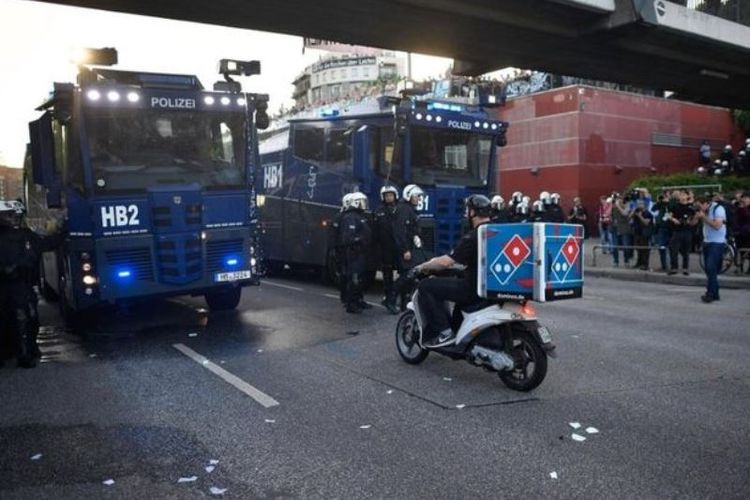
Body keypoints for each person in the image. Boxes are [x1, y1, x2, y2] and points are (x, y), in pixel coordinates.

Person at [412, 195, 491, 346]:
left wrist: (423, 266)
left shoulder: (473, 236)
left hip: (472, 288)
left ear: (473, 212)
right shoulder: (495, 232)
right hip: (487, 286)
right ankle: (458, 329)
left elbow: (446, 262)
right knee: (456, 277)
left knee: (426, 286)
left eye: (468, 209)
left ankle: (445, 332)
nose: (466, 212)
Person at [0, 200, 66, 368]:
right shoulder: (25, 235)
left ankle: (21, 352)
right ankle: (24, 353)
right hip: (19, 286)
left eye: (14, 215)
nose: (13, 219)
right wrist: (64, 231)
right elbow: (47, 243)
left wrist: (62, 232)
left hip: (18, 285)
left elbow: (47, 243)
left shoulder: (26, 235)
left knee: (23, 318)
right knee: (24, 318)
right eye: (9, 216)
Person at [335, 192, 372, 313]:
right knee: (354, 279)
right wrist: (360, 239)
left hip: (361, 253)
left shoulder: (359, 215)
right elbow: (348, 237)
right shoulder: (350, 217)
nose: (364, 204)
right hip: (353, 253)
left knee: (360, 278)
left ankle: (358, 300)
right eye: (362, 201)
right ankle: (351, 304)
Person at [394, 184, 424, 310]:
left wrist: (416, 235)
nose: (418, 199)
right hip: (404, 249)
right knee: (406, 275)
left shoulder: (409, 209)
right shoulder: (404, 209)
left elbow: (411, 229)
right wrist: (405, 249)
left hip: (410, 247)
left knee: (408, 276)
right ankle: (390, 297)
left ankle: (403, 303)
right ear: (408, 196)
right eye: (416, 196)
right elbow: (400, 232)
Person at [373, 185, 401, 314]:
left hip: (399, 247)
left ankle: (402, 298)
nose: (389, 197)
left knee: (404, 273)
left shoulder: (400, 209)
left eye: (391, 195)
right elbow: (375, 230)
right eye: (386, 195)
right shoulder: (379, 211)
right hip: (385, 248)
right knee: (387, 274)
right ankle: (389, 298)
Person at [695, 195, 726, 303]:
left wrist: (703, 217)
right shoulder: (703, 210)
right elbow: (692, 223)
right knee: (709, 270)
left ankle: (710, 293)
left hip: (717, 242)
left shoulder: (719, 209)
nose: (699, 208)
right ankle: (715, 292)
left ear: (706, 203)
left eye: (700, 206)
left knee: (711, 267)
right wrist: (696, 217)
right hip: (707, 242)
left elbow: (717, 226)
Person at [667, 191, 697, 276]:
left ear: (687, 196)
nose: (682, 196)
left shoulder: (691, 207)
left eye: (684, 195)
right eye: (681, 195)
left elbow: (695, 218)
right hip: (677, 231)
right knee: (674, 250)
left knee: (686, 251)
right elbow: (668, 215)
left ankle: (685, 268)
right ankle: (674, 268)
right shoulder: (675, 206)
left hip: (687, 231)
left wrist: (690, 221)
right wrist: (673, 219)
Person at [650, 193, 672, 272]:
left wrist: (669, 201)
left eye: (666, 196)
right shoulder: (661, 205)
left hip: (670, 228)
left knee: (670, 248)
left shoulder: (672, 203)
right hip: (661, 228)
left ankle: (671, 266)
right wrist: (660, 201)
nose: (665, 198)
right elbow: (653, 209)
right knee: (661, 247)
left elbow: (673, 209)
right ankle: (664, 266)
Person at [611, 193, 634, 267]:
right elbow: (608, 214)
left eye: (620, 199)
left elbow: (625, 213)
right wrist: (611, 205)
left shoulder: (626, 206)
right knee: (615, 246)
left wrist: (618, 206)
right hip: (615, 228)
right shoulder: (613, 207)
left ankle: (626, 261)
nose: (619, 200)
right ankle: (615, 261)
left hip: (624, 228)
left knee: (626, 246)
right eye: (618, 199)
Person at [631, 199, 654, 270]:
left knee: (645, 250)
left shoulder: (648, 213)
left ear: (644, 205)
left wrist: (640, 216)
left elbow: (646, 223)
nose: (639, 205)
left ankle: (645, 264)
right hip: (637, 233)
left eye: (641, 204)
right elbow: (629, 217)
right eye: (638, 204)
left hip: (645, 233)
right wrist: (633, 211)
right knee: (638, 249)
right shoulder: (636, 212)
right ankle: (639, 263)